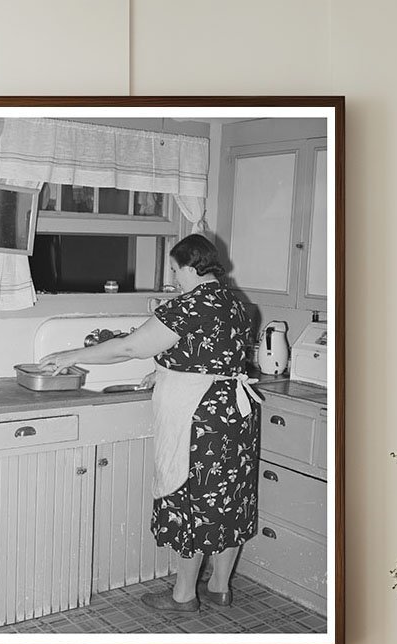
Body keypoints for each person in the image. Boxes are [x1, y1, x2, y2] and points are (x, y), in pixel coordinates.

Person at [37, 233, 260, 613]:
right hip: (234, 416)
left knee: (192, 499)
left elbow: (129, 347)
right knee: (228, 500)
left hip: (199, 419)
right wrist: (165, 372)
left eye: (174, 269)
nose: (173, 277)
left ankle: (183, 596)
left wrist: (70, 355)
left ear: (191, 267)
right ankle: (220, 587)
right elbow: (212, 356)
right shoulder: (237, 304)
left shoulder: (188, 306)